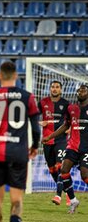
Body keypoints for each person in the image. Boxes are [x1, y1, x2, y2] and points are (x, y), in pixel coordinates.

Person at [0, 62, 40, 222]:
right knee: (16, 199)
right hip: (19, 152)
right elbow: (36, 129)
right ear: (16, 76)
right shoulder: (28, 97)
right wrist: (35, 146)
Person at [42, 84, 88, 214]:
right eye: (79, 90)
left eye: (83, 90)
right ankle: (73, 200)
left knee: (85, 175)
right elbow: (66, 125)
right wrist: (49, 136)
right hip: (73, 146)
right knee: (63, 170)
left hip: (86, 148)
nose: (80, 92)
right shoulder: (72, 108)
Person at [38, 80, 70, 205]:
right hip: (47, 140)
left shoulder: (66, 104)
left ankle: (58, 195)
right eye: (53, 87)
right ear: (50, 89)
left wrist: (71, 128)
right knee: (52, 169)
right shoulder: (43, 102)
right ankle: (68, 191)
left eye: (57, 87)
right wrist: (39, 122)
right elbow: (33, 115)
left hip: (61, 140)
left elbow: (72, 119)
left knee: (60, 167)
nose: (55, 89)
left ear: (61, 90)